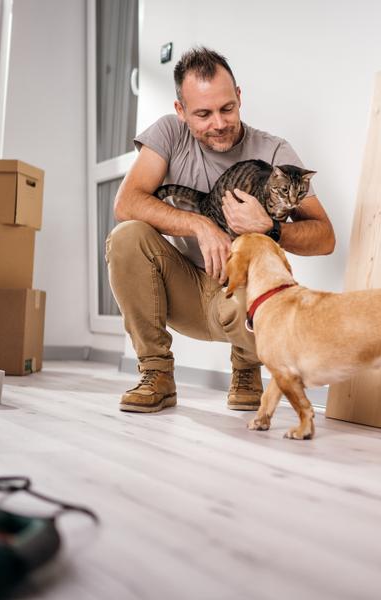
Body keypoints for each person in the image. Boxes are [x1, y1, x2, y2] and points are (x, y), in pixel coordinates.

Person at [107, 46, 335, 414]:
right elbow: (126, 203)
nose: (218, 123)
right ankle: (156, 374)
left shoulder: (275, 151)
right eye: (203, 113)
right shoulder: (168, 132)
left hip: (238, 296)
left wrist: (271, 227)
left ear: (240, 97)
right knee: (127, 235)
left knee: (270, 299)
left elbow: (325, 238)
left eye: (227, 108)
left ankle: (247, 368)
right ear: (181, 112)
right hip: (181, 288)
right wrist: (199, 224)